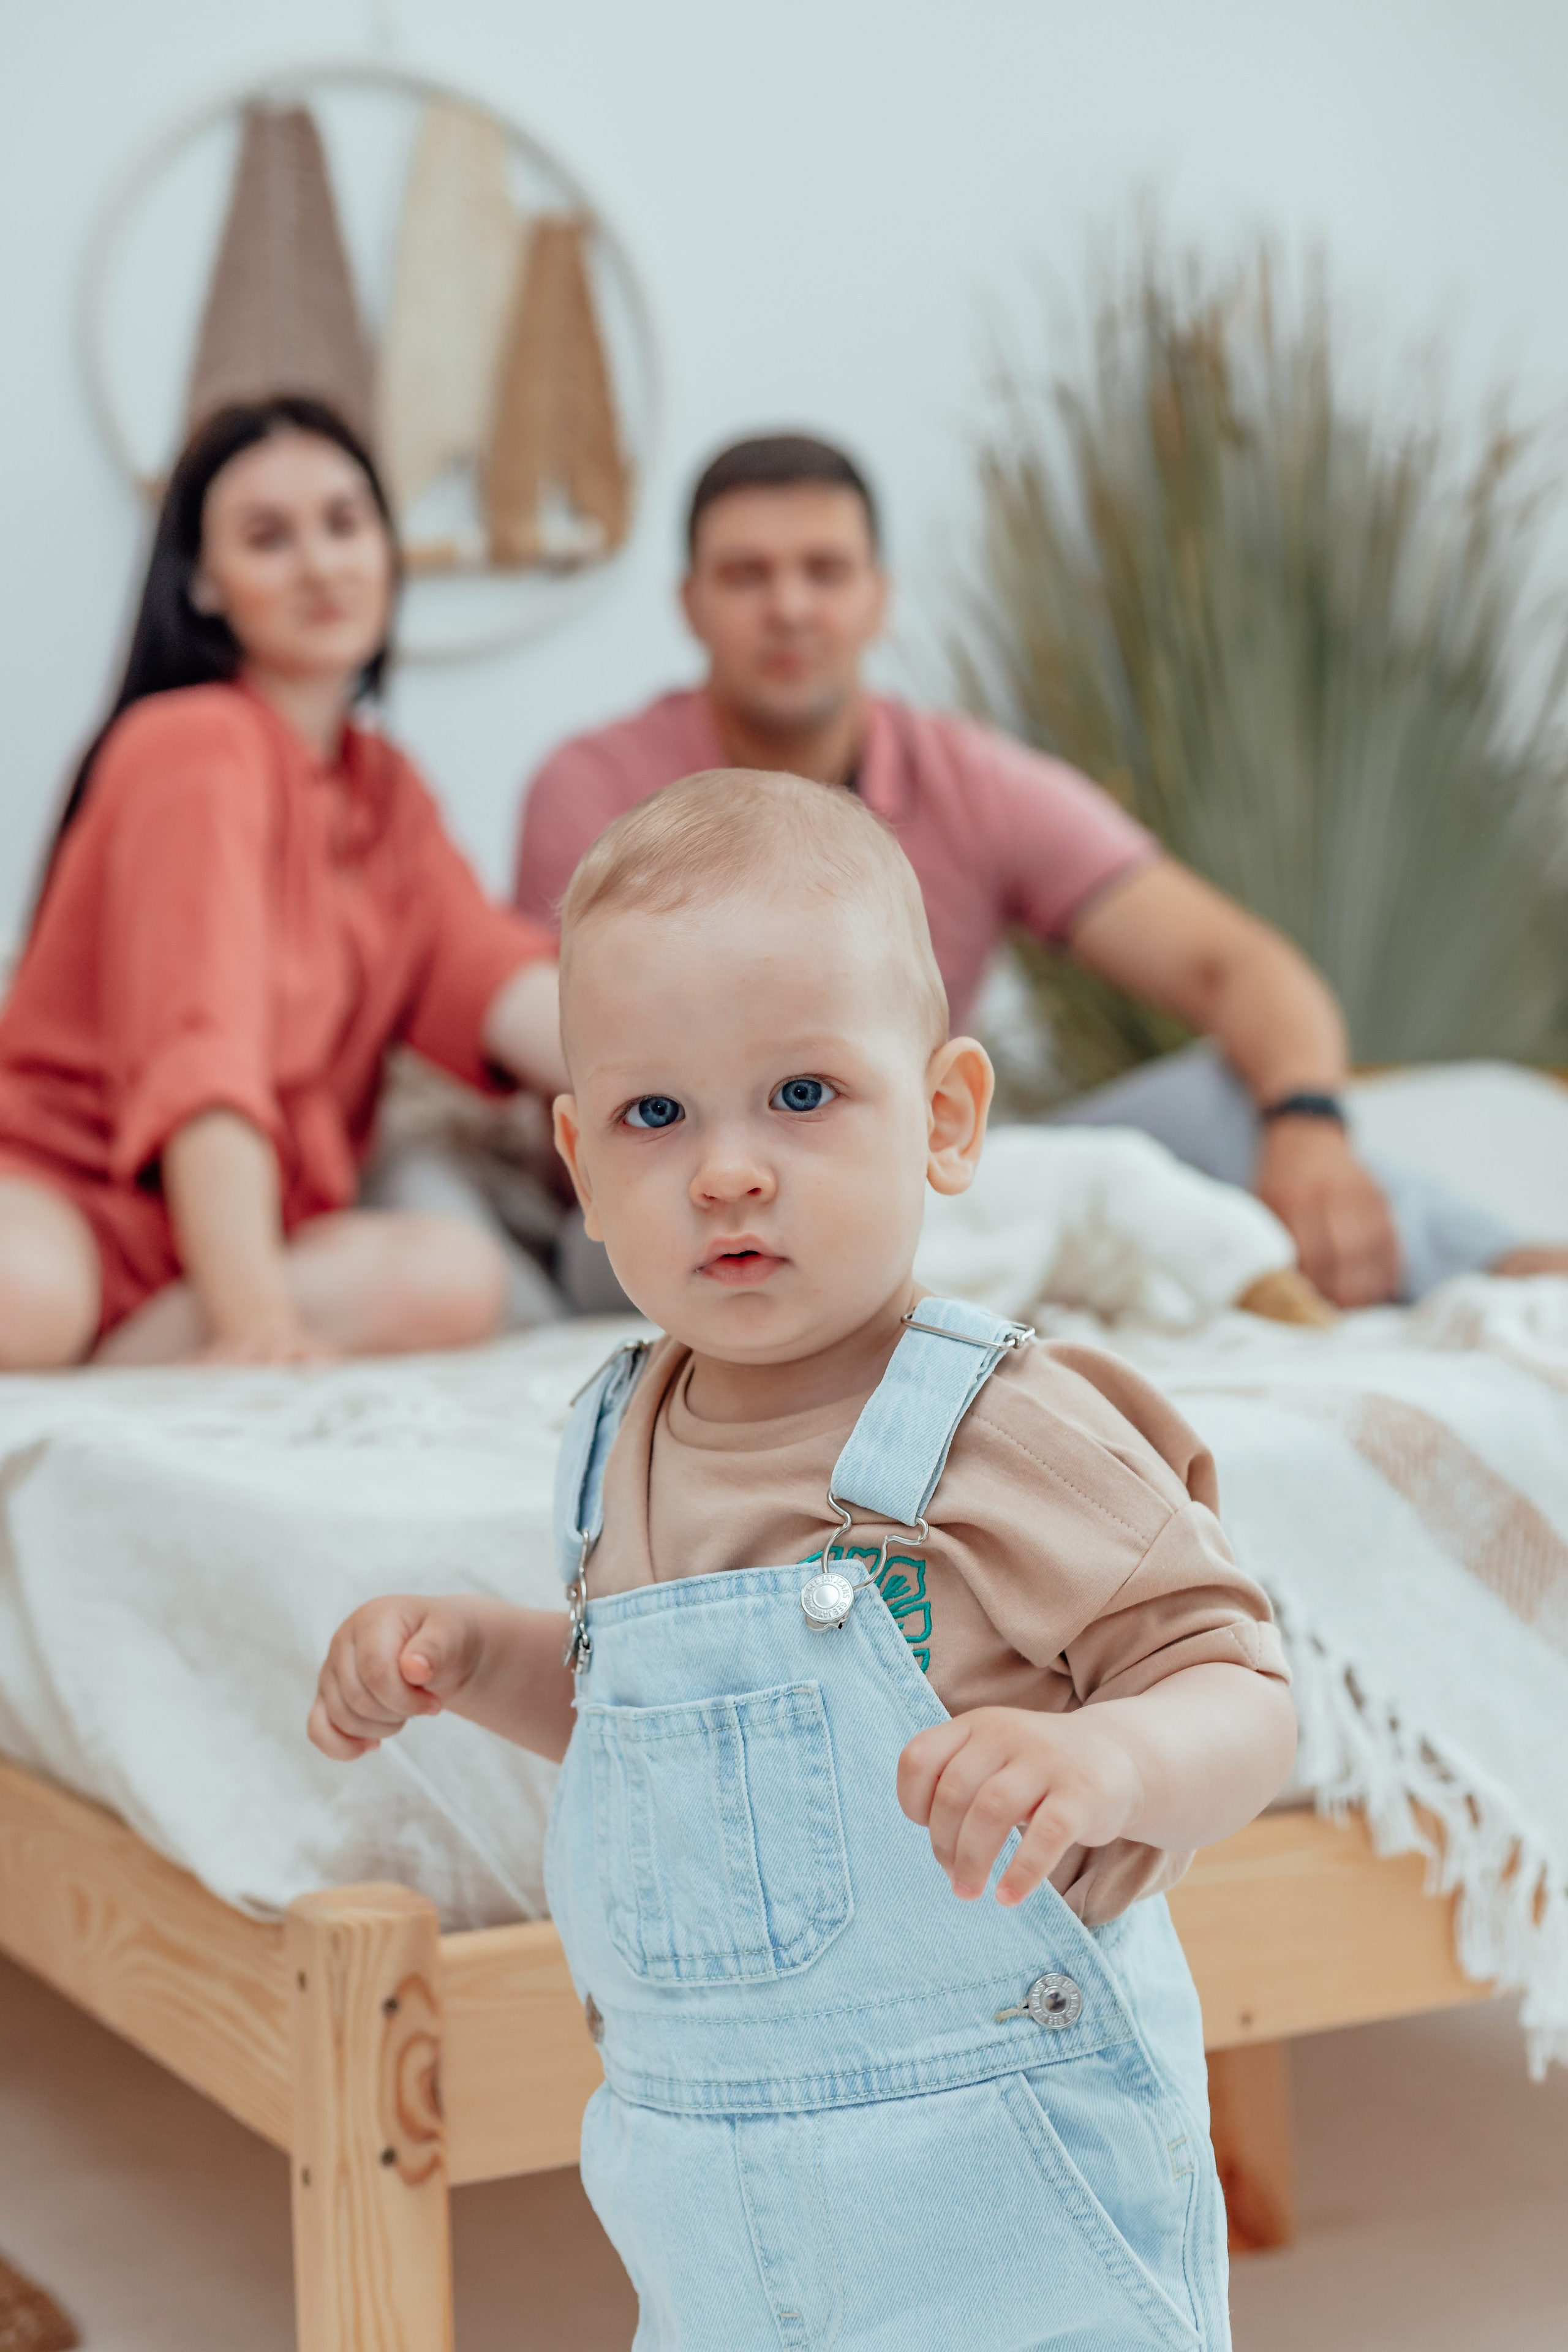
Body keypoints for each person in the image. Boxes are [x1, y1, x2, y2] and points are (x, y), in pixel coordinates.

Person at [312, 769, 1297, 2349]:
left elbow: (1241, 1691)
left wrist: (1106, 1759)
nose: (726, 1171)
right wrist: (479, 1657)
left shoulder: (1004, 1427)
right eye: (654, 1115)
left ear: (946, 1118)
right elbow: (665, 1739)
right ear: (578, 1161)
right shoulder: (613, 1439)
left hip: (1010, 2176)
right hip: (709, 2208)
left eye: (800, 1094)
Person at [515, 432, 1565, 1310]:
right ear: (691, 603)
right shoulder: (592, 786)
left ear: (878, 598)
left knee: (1215, 1098)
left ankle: (1509, 1272)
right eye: (747, 575)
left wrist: (1309, 1130)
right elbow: (566, 1055)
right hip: (670, 1210)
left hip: (907, 1176)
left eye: (824, 571)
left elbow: (1237, 967)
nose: (789, 605)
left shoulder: (974, 782)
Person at [0, 396, 565, 1370]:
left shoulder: (384, 786)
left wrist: (701, 1070)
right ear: (203, 583)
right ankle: (144, 1354)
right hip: (72, 1194)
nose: (320, 565)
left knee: (455, 1277)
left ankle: (122, 1369)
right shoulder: (191, 744)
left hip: (250, 1225)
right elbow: (199, 1051)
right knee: (30, 1297)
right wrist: (255, 1322)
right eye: (268, 538)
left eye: (345, 525)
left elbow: (495, 980)